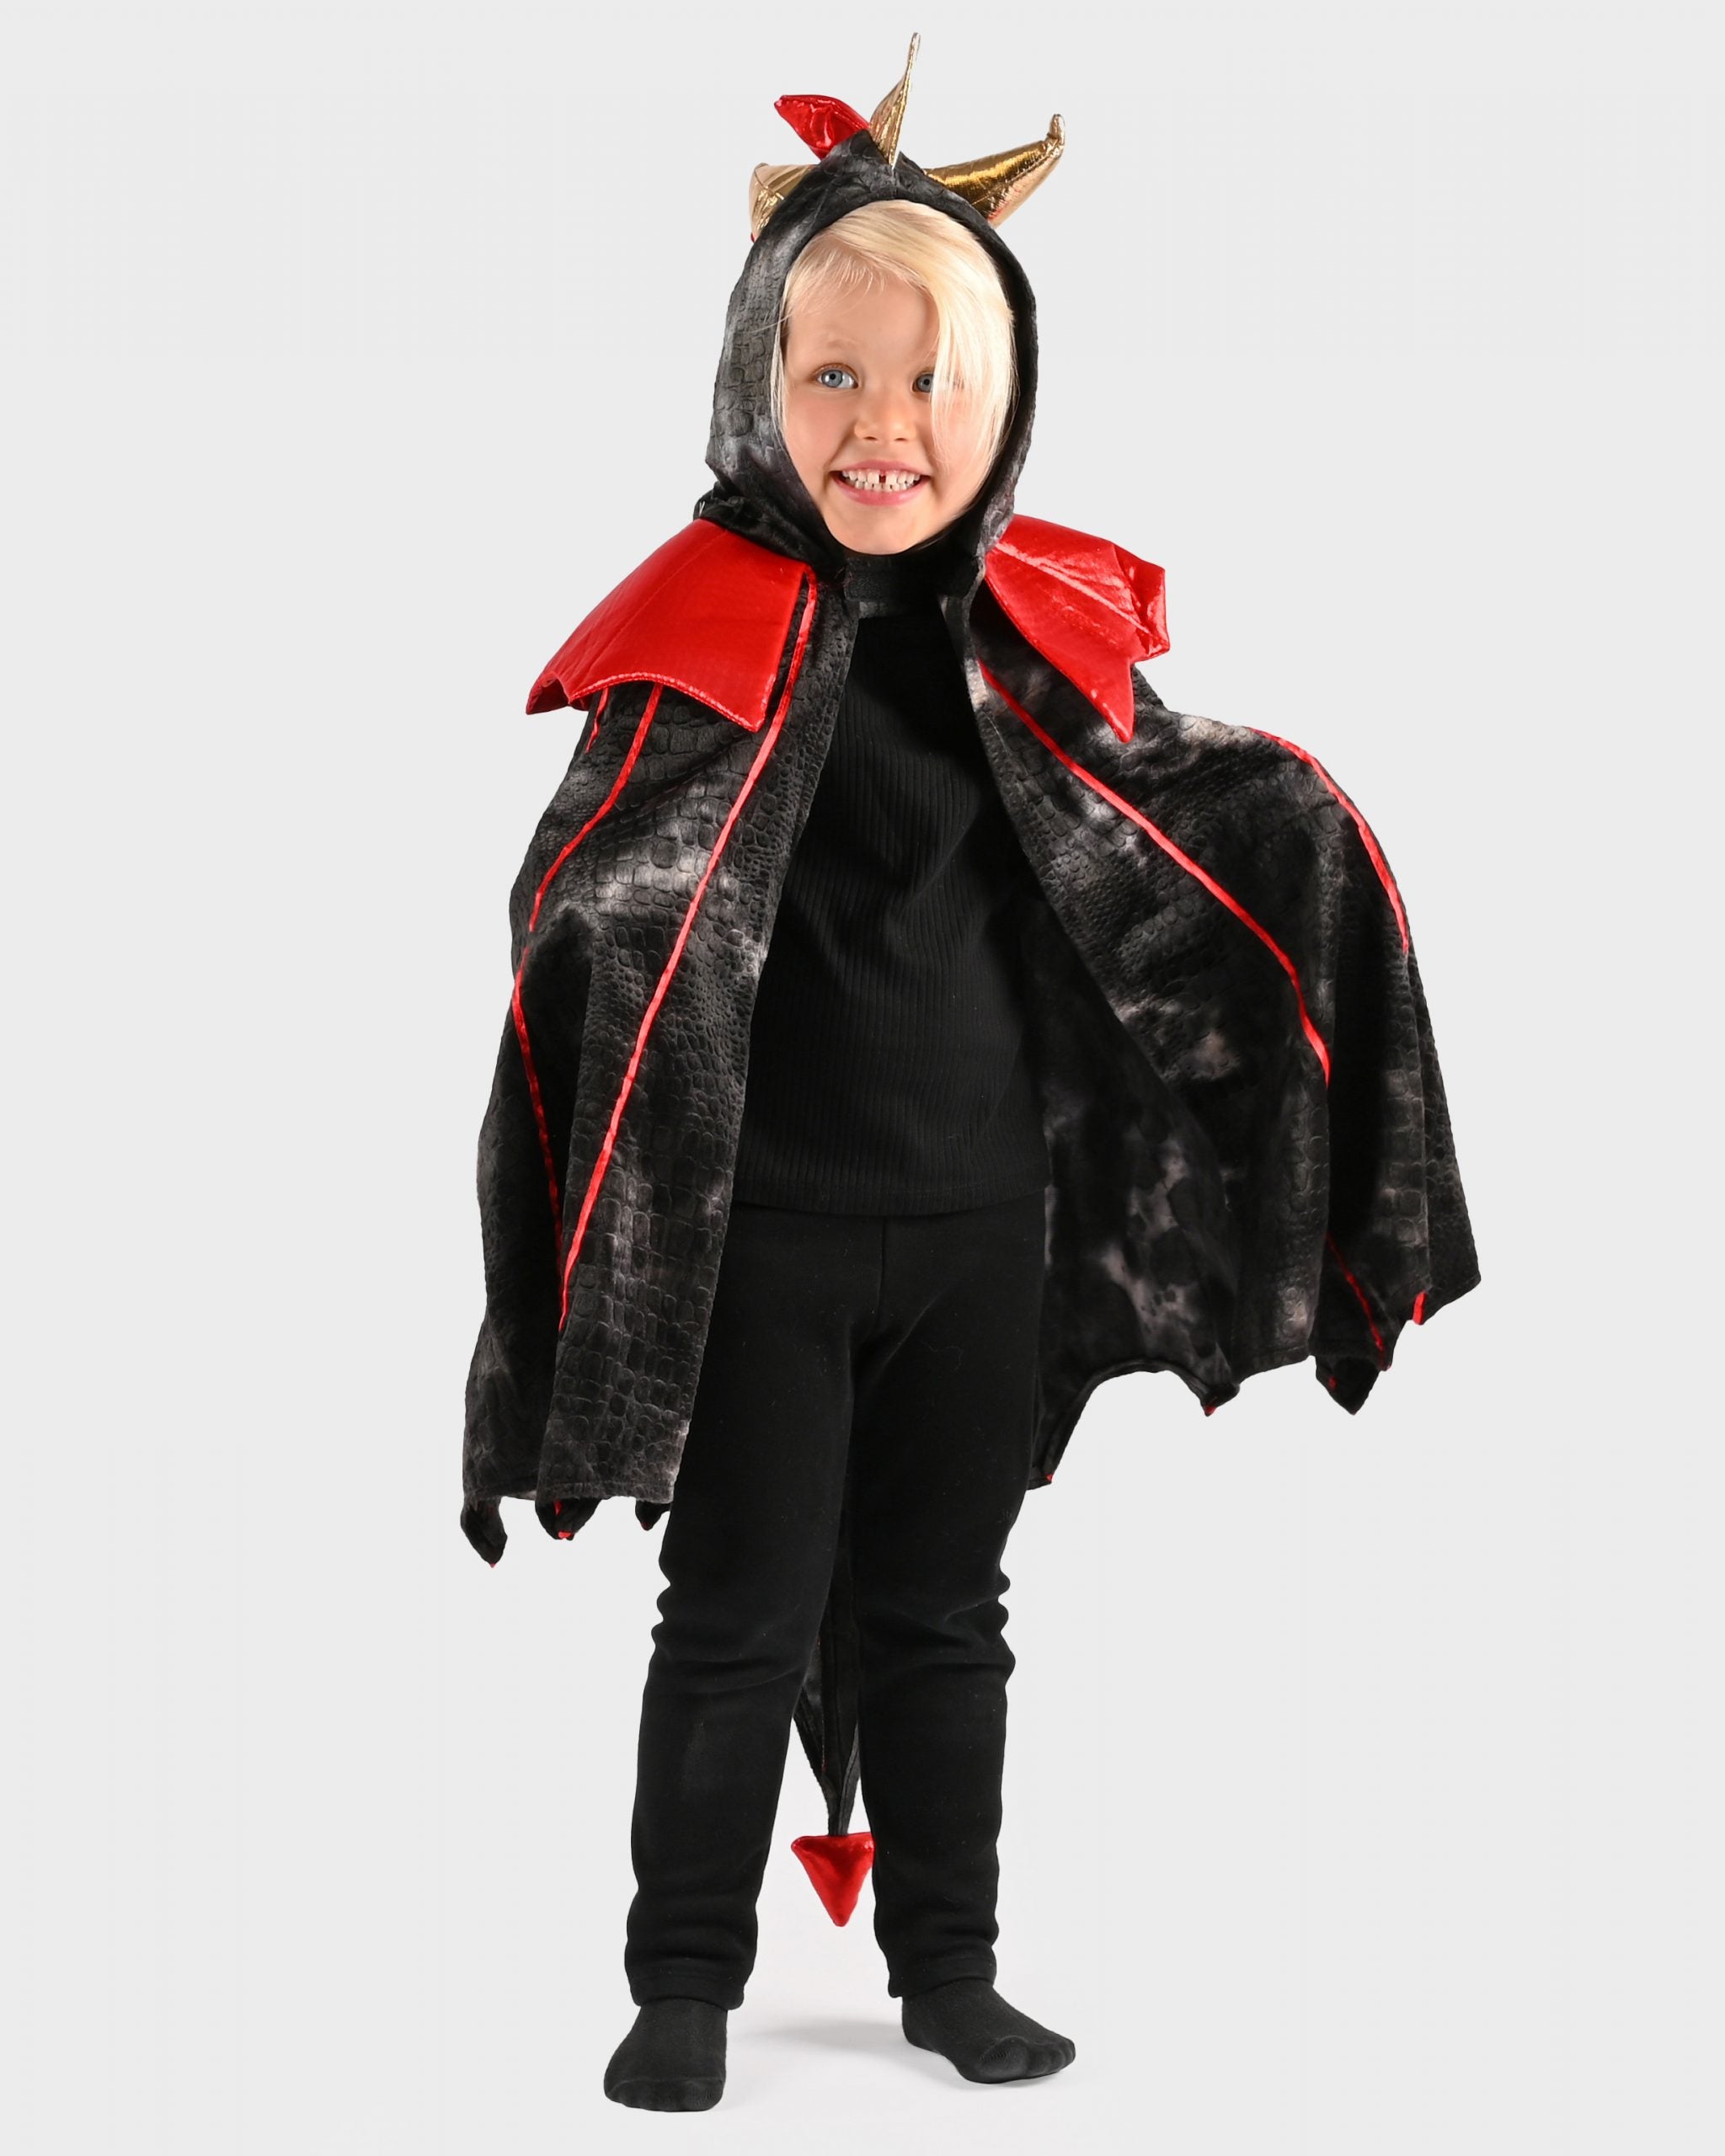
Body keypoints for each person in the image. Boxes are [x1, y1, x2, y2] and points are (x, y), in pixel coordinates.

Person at [459, 35, 1479, 2116]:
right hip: (758, 1238)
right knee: (729, 1611)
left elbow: (1161, 828)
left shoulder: (1038, 645)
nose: (885, 424)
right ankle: (684, 1977)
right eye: (835, 374)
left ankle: (948, 1963)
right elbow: (591, 895)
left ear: (1003, 401)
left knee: (947, 1609)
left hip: (981, 1225)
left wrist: (1297, 820)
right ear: (755, 378)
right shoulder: (694, 644)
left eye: (933, 380)